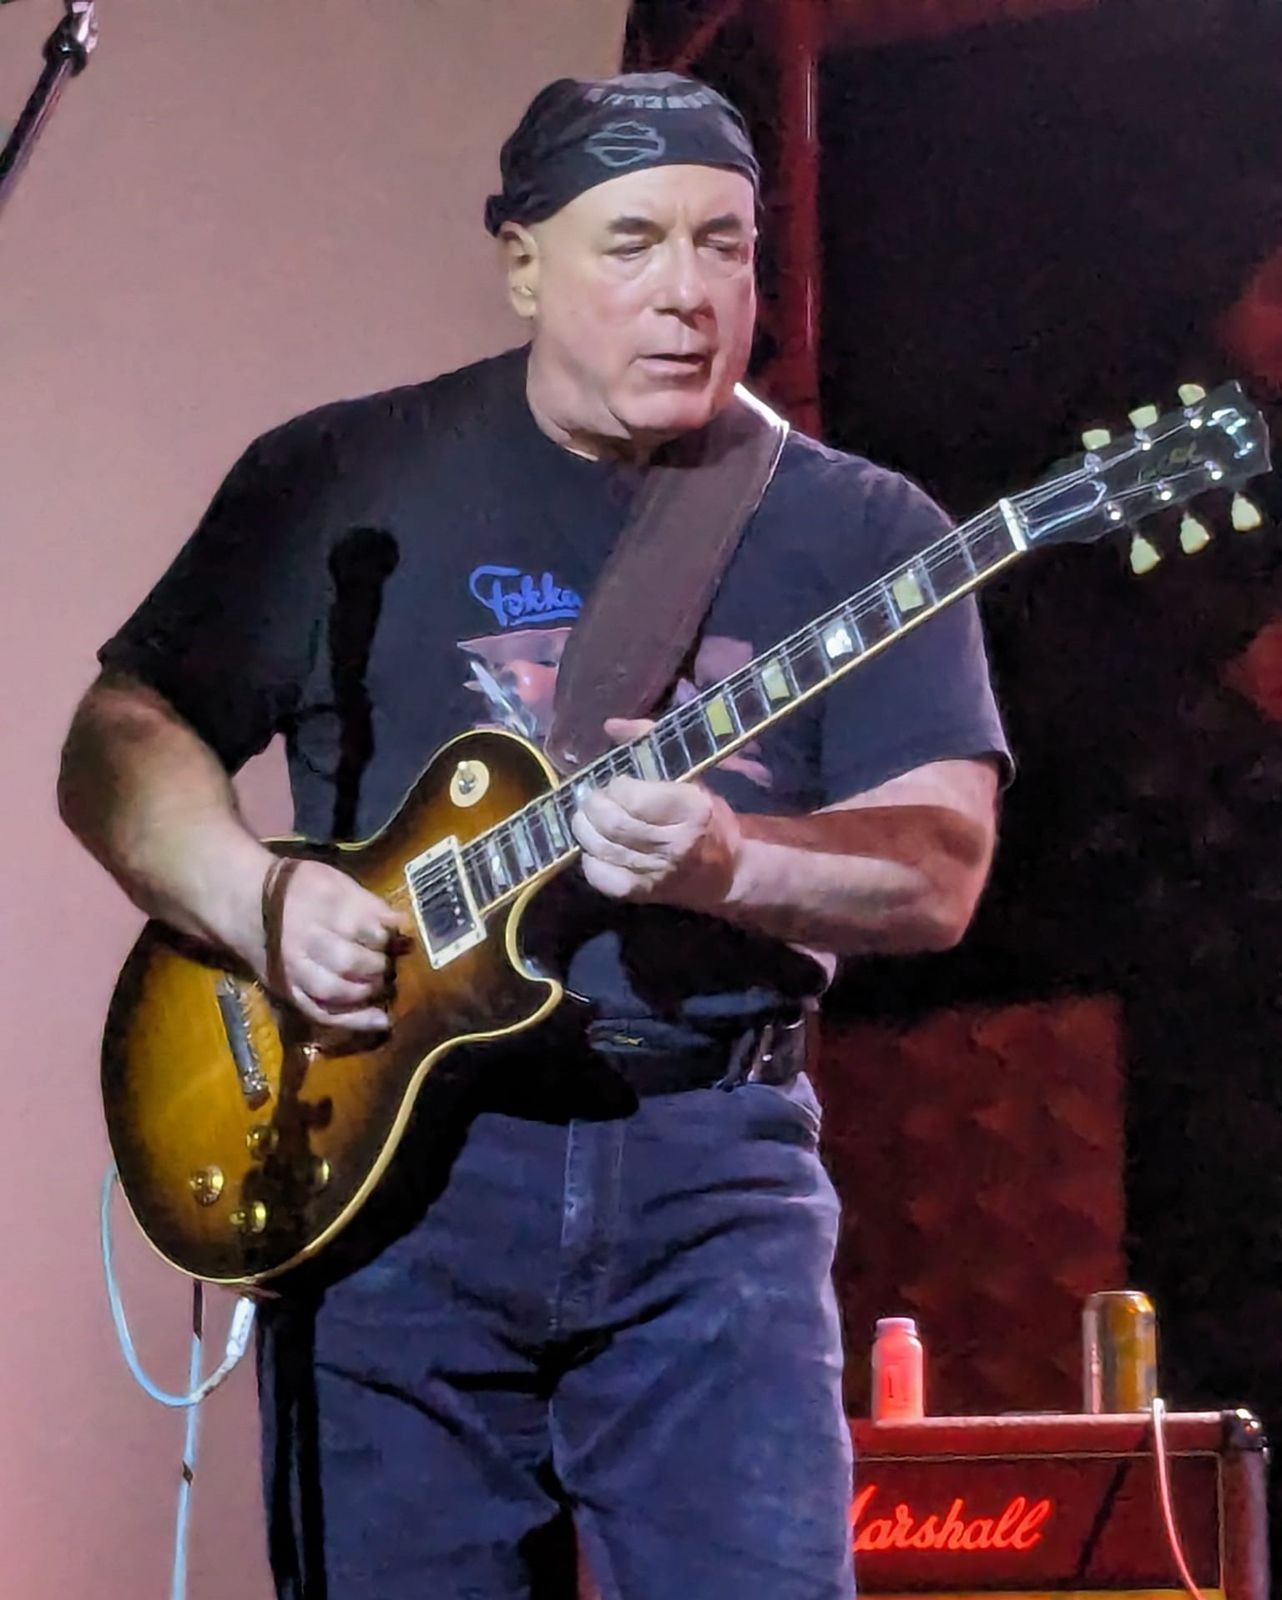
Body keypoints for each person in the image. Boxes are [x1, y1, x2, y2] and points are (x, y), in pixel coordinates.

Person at [59, 71, 1008, 1600]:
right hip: (396, 1178)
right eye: (632, 242)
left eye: (723, 245)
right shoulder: (345, 481)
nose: (688, 292)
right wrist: (250, 898)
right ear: (520, 263)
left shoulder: (866, 532)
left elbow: (940, 869)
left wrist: (732, 866)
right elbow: (122, 736)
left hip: (711, 1174)